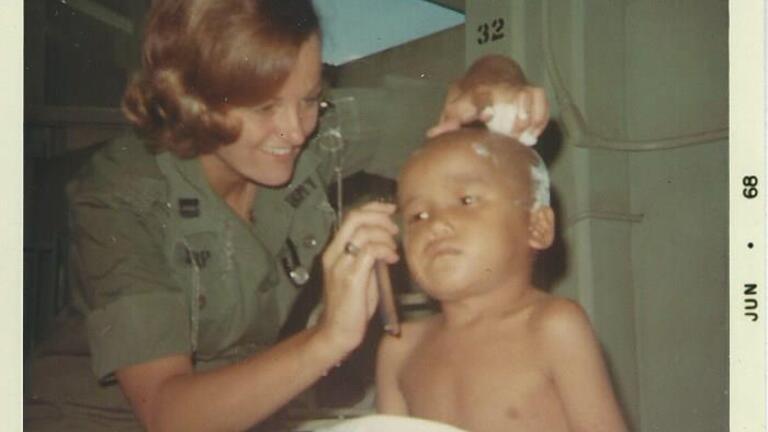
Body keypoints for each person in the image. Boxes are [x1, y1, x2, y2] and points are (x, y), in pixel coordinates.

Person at [23, 1, 550, 431]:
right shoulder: (118, 194)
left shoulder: (319, 134)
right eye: (264, 110)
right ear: (193, 100)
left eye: (310, 99)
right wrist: (328, 339)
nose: (296, 131)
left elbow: (467, 98)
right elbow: (167, 413)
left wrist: (497, 83)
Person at [376, 128, 628, 432]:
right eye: (417, 215)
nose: (437, 224)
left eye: (466, 200)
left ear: (536, 226)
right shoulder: (400, 349)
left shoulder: (552, 326)